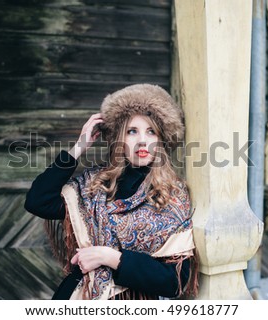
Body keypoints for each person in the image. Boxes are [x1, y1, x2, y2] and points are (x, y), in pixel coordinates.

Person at [24, 84, 197, 300]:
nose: (142, 140)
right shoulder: (95, 185)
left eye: (151, 131)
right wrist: (79, 147)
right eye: (132, 131)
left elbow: (175, 282)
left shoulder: (172, 196)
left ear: (160, 140)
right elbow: (37, 201)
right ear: (119, 140)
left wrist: (111, 257)